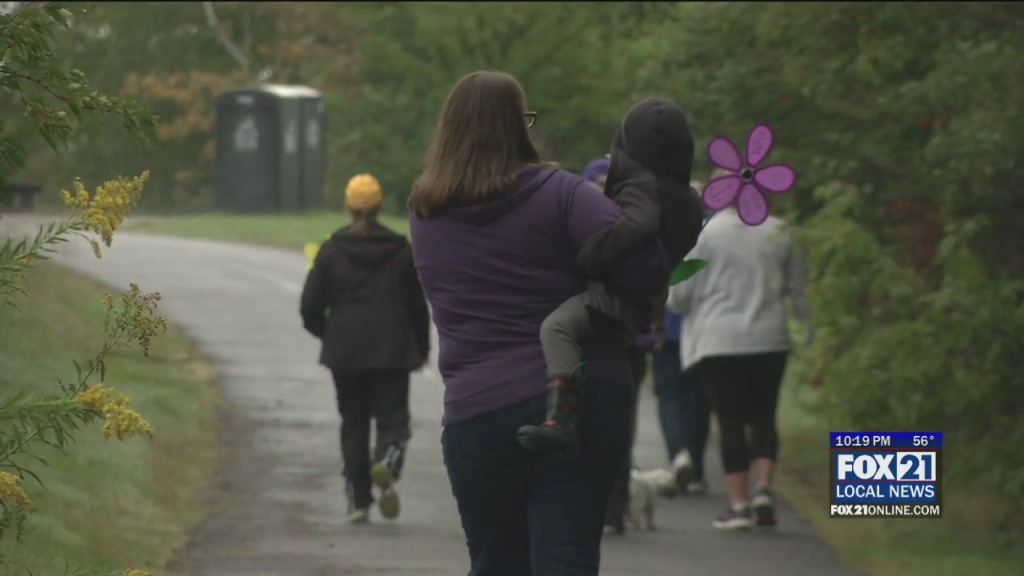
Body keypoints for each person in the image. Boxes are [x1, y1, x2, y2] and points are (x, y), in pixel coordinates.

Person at [408, 70, 669, 575]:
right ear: (517, 126)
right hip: (580, 398)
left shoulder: (426, 211)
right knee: (566, 559)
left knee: (496, 562)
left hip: (478, 407)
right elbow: (644, 269)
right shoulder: (562, 193)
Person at [516, 97, 705, 459]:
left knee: (556, 328)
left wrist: (594, 253)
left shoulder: (640, 184)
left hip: (615, 299)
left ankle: (562, 419)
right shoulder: (688, 198)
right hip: (644, 304)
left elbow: (641, 223)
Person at [666, 172, 811, 529]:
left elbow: (679, 295)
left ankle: (739, 504)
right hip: (769, 338)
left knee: (729, 421)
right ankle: (763, 489)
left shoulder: (705, 236)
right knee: (764, 416)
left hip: (719, 341)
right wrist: (806, 331)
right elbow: (799, 291)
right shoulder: (781, 232)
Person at [299, 173, 431, 525]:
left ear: (347, 206)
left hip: (345, 351)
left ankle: (358, 500)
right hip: (392, 351)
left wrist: (329, 334)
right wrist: (421, 348)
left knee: (353, 424)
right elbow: (417, 306)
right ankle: (386, 460)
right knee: (392, 420)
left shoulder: (331, 250)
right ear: (380, 206)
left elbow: (309, 307)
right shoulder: (401, 250)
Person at [651, 182, 713, 496]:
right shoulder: (713, 232)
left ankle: (679, 454)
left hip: (669, 325)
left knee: (670, 396)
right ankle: (697, 470)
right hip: (704, 331)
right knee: (699, 401)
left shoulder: (660, 230)